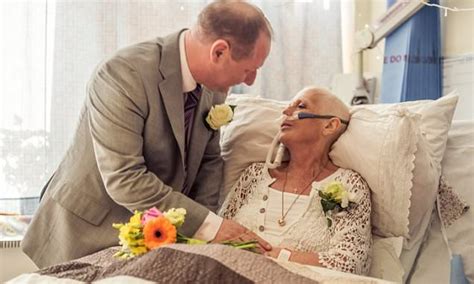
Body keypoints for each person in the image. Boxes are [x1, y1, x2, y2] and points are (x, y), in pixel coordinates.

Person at [22, 1, 273, 268]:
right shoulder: (123, 73)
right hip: (84, 230)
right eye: (249, 69)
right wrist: (210, 226)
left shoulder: (214, 86)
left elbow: (209, 163)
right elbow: (125, 178)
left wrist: (199, 240)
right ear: (219, 52)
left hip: (154, 236)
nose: (250, 81)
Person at [218, 87, 372, 275]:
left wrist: (273, 256)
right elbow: (218, 233)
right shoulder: (255, 175)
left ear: (330, 126)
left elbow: (349, 262)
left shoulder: (349, 185)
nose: (285, 112)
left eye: (300, 106)